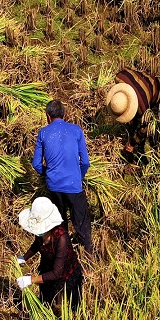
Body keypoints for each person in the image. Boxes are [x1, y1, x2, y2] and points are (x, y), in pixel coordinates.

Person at [32, 99, 92, 254]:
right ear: (65, 114)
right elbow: (85, 161)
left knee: (59, 221)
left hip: (54, 186)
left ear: (47, 116)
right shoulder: (76, 130)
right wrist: (79, 176)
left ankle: (64, 253)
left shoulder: (43, 133)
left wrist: (48, 174)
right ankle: (88, 253)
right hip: (73, 184)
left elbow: (36, 164)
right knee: (81, 221)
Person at [16, 197, 84, 312]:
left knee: (61, 309)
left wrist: (30, 280)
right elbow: (36, 244)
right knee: (46, 302)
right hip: (47, 270)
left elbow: (56, 273)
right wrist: (24, 258)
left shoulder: (61, 238)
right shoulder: (40, 232)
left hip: (64, 275)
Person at [105, 68, 160, 159]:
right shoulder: (120, 77)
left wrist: (133, 143)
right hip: (143, 83)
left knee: (154, 127)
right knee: (134, 124)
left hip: (158, 90)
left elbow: (145, 127)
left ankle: (156, 154)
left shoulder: (142, 108)